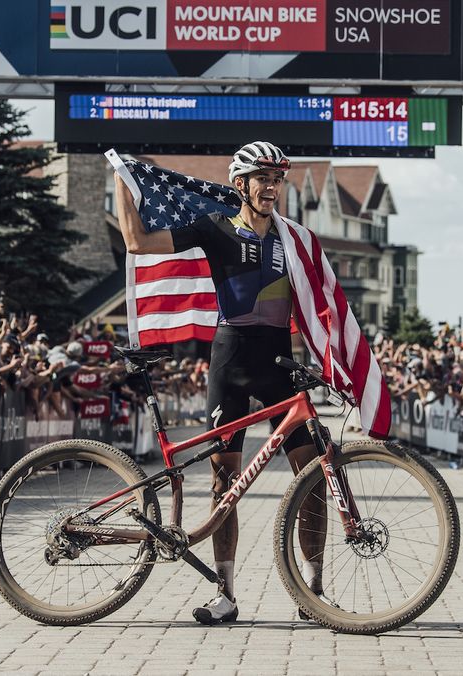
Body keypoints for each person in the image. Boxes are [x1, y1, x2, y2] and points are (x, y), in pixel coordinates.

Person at [114, 140, 324, 625]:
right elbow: (139, 243)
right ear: (241, 185)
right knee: (224, 481)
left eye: (277, 179)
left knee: (311, 477)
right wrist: (122, 182)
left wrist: (328, 362)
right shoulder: (215, 228)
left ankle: (313, 591)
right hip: (230, 359)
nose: (271, 187)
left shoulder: (293, 239)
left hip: (279, 362)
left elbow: (319, 305)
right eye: (262, 179)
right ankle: (225, 594)